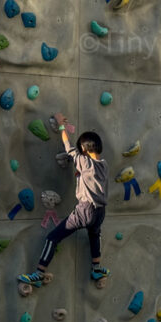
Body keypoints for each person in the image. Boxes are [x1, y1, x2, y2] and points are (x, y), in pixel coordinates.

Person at [18, 112, 109, 287]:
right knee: (94, 235)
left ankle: (39, 272)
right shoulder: (104, 164)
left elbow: (68, 147)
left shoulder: (84, 162)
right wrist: (80, 176)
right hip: (100, 212)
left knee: (53, 237)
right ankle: (96, 268)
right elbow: (91, 179)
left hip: (85, 210)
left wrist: (61, 125)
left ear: (83, 149)